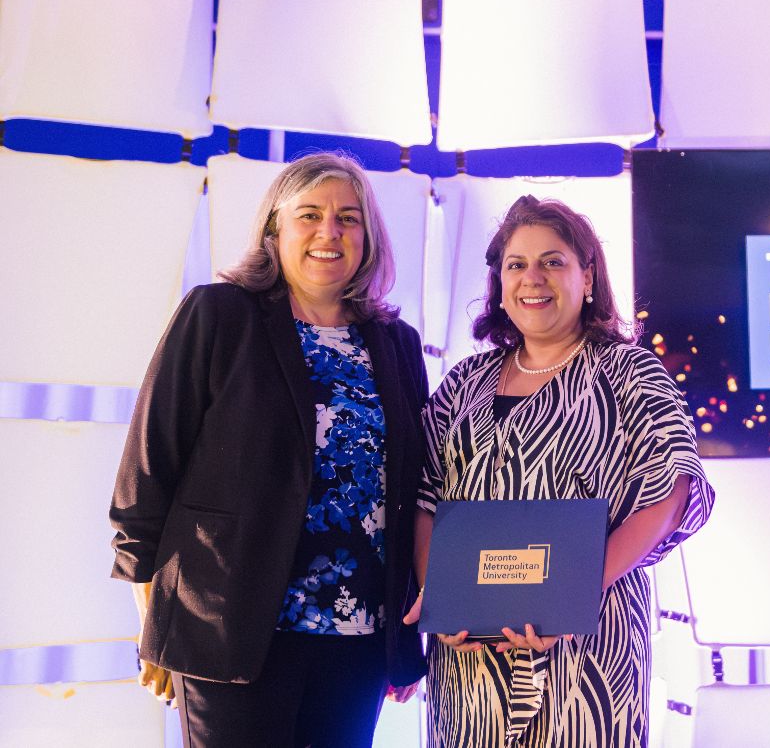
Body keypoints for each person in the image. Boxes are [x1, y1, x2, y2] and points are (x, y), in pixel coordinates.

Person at [109, 152, 428, 747]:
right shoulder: (219, 316)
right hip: (230, 631)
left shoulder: (396, 343)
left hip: (357, 638)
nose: (329, 232)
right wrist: (156, 622)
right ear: (274, 230)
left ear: (369, 237)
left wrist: (403, 636)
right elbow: (146, 473)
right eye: (309, 214)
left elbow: (412, 491)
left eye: (348, 218)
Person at [404, 195, 715, 747]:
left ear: (587, 275)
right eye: (516, 265)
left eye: (553, 261)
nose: (533, 278)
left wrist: (569, 596)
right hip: (469, 659)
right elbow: (425, 499)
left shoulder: (628, 371)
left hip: (587, 646)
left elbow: (673, 490)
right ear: (499, 283)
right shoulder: (464, 383)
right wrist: (442, 598)